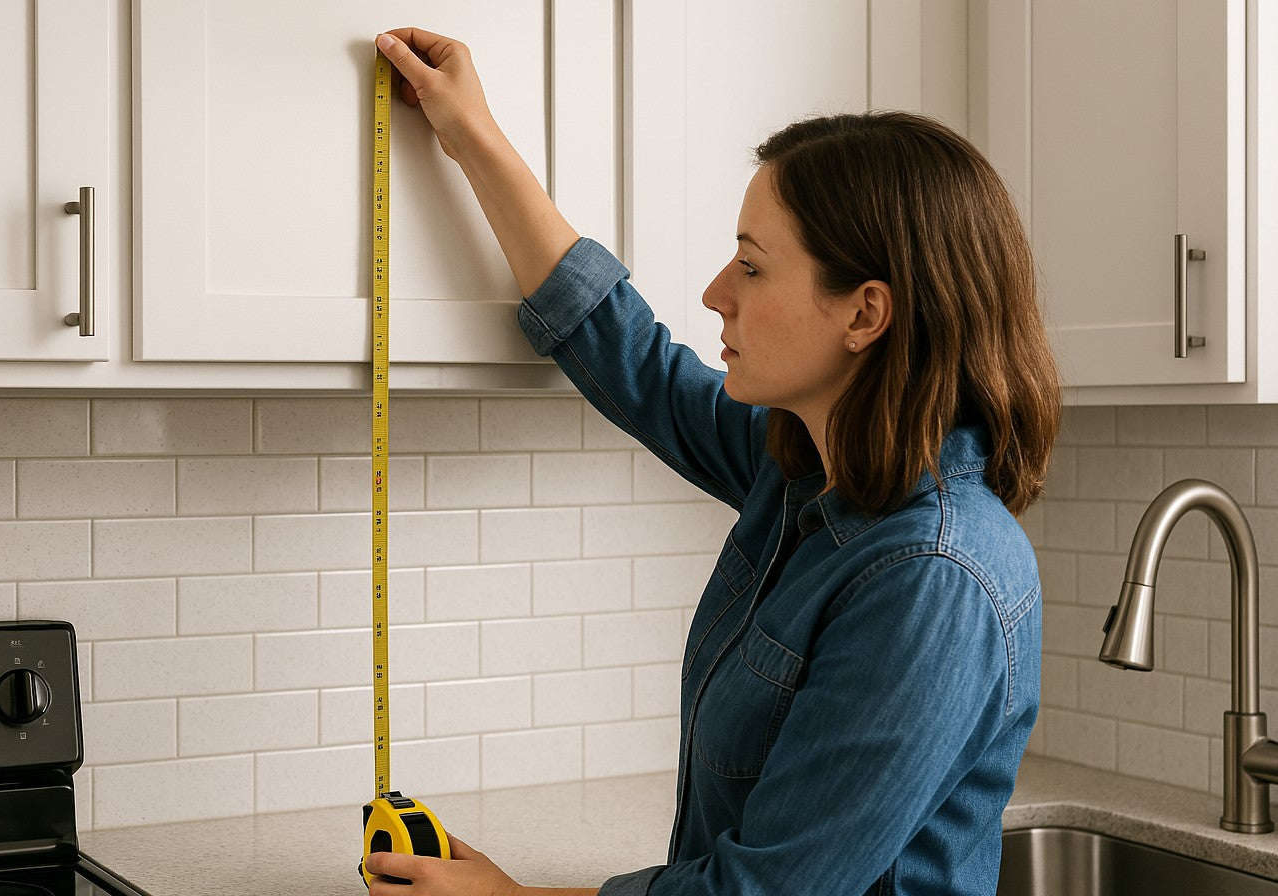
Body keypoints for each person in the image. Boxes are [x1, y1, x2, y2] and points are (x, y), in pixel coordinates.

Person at [365, 26, 1060, 896]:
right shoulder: (805, 468)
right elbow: (632, 360)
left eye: (751, 266)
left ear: (863, 315)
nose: (714, 293)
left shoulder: (931, 578)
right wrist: (470, 134)